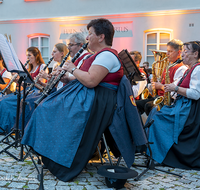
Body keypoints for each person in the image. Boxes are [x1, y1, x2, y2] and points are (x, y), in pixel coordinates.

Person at [21, 18, 124, 182]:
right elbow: (85, 79)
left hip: (95, 102)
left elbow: (91, 81)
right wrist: (69, 78)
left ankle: (58, 160)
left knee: (47, 109)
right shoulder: (100, 55)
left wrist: (73, 69)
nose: (88, 38)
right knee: (45, 107)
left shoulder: (107, 56)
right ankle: (50, 153)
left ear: (101, 37)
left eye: (90, 34)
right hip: (89, 97)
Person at [148, 41, 200, 169]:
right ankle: (156, 153)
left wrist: (175, 89)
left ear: (196, 54)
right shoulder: (189, 69)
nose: (182, 54)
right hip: (182, 105)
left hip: (189, 109)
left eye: (186, 51)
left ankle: (159, 156)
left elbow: (196, 94)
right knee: (156, 114)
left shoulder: (198, 69)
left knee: (158, 118)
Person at [0, 47, 47, 134]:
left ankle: (12, 127)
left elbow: (40, 85)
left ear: (36, 56)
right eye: (27, 56)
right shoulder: (29, 69)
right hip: (27, 91)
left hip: (35, 92)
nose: (28, 58)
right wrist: (18, 80)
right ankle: (5, 127)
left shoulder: (42, 67)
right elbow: (26, 85)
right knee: (4, 99)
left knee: (6, 102)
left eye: (30, 55)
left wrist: (32, 82)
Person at [136, 39, 188, 115]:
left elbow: (175, 91)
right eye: (167, 51)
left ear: (179, 53)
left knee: (148, 106)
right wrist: (152, 84)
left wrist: (160, 86)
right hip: (160, 97)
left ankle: (152, 125)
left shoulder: (181, 68)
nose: (167, 54)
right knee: (136, 104)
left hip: (169, 101)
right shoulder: (169, 66)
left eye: (170, 51)